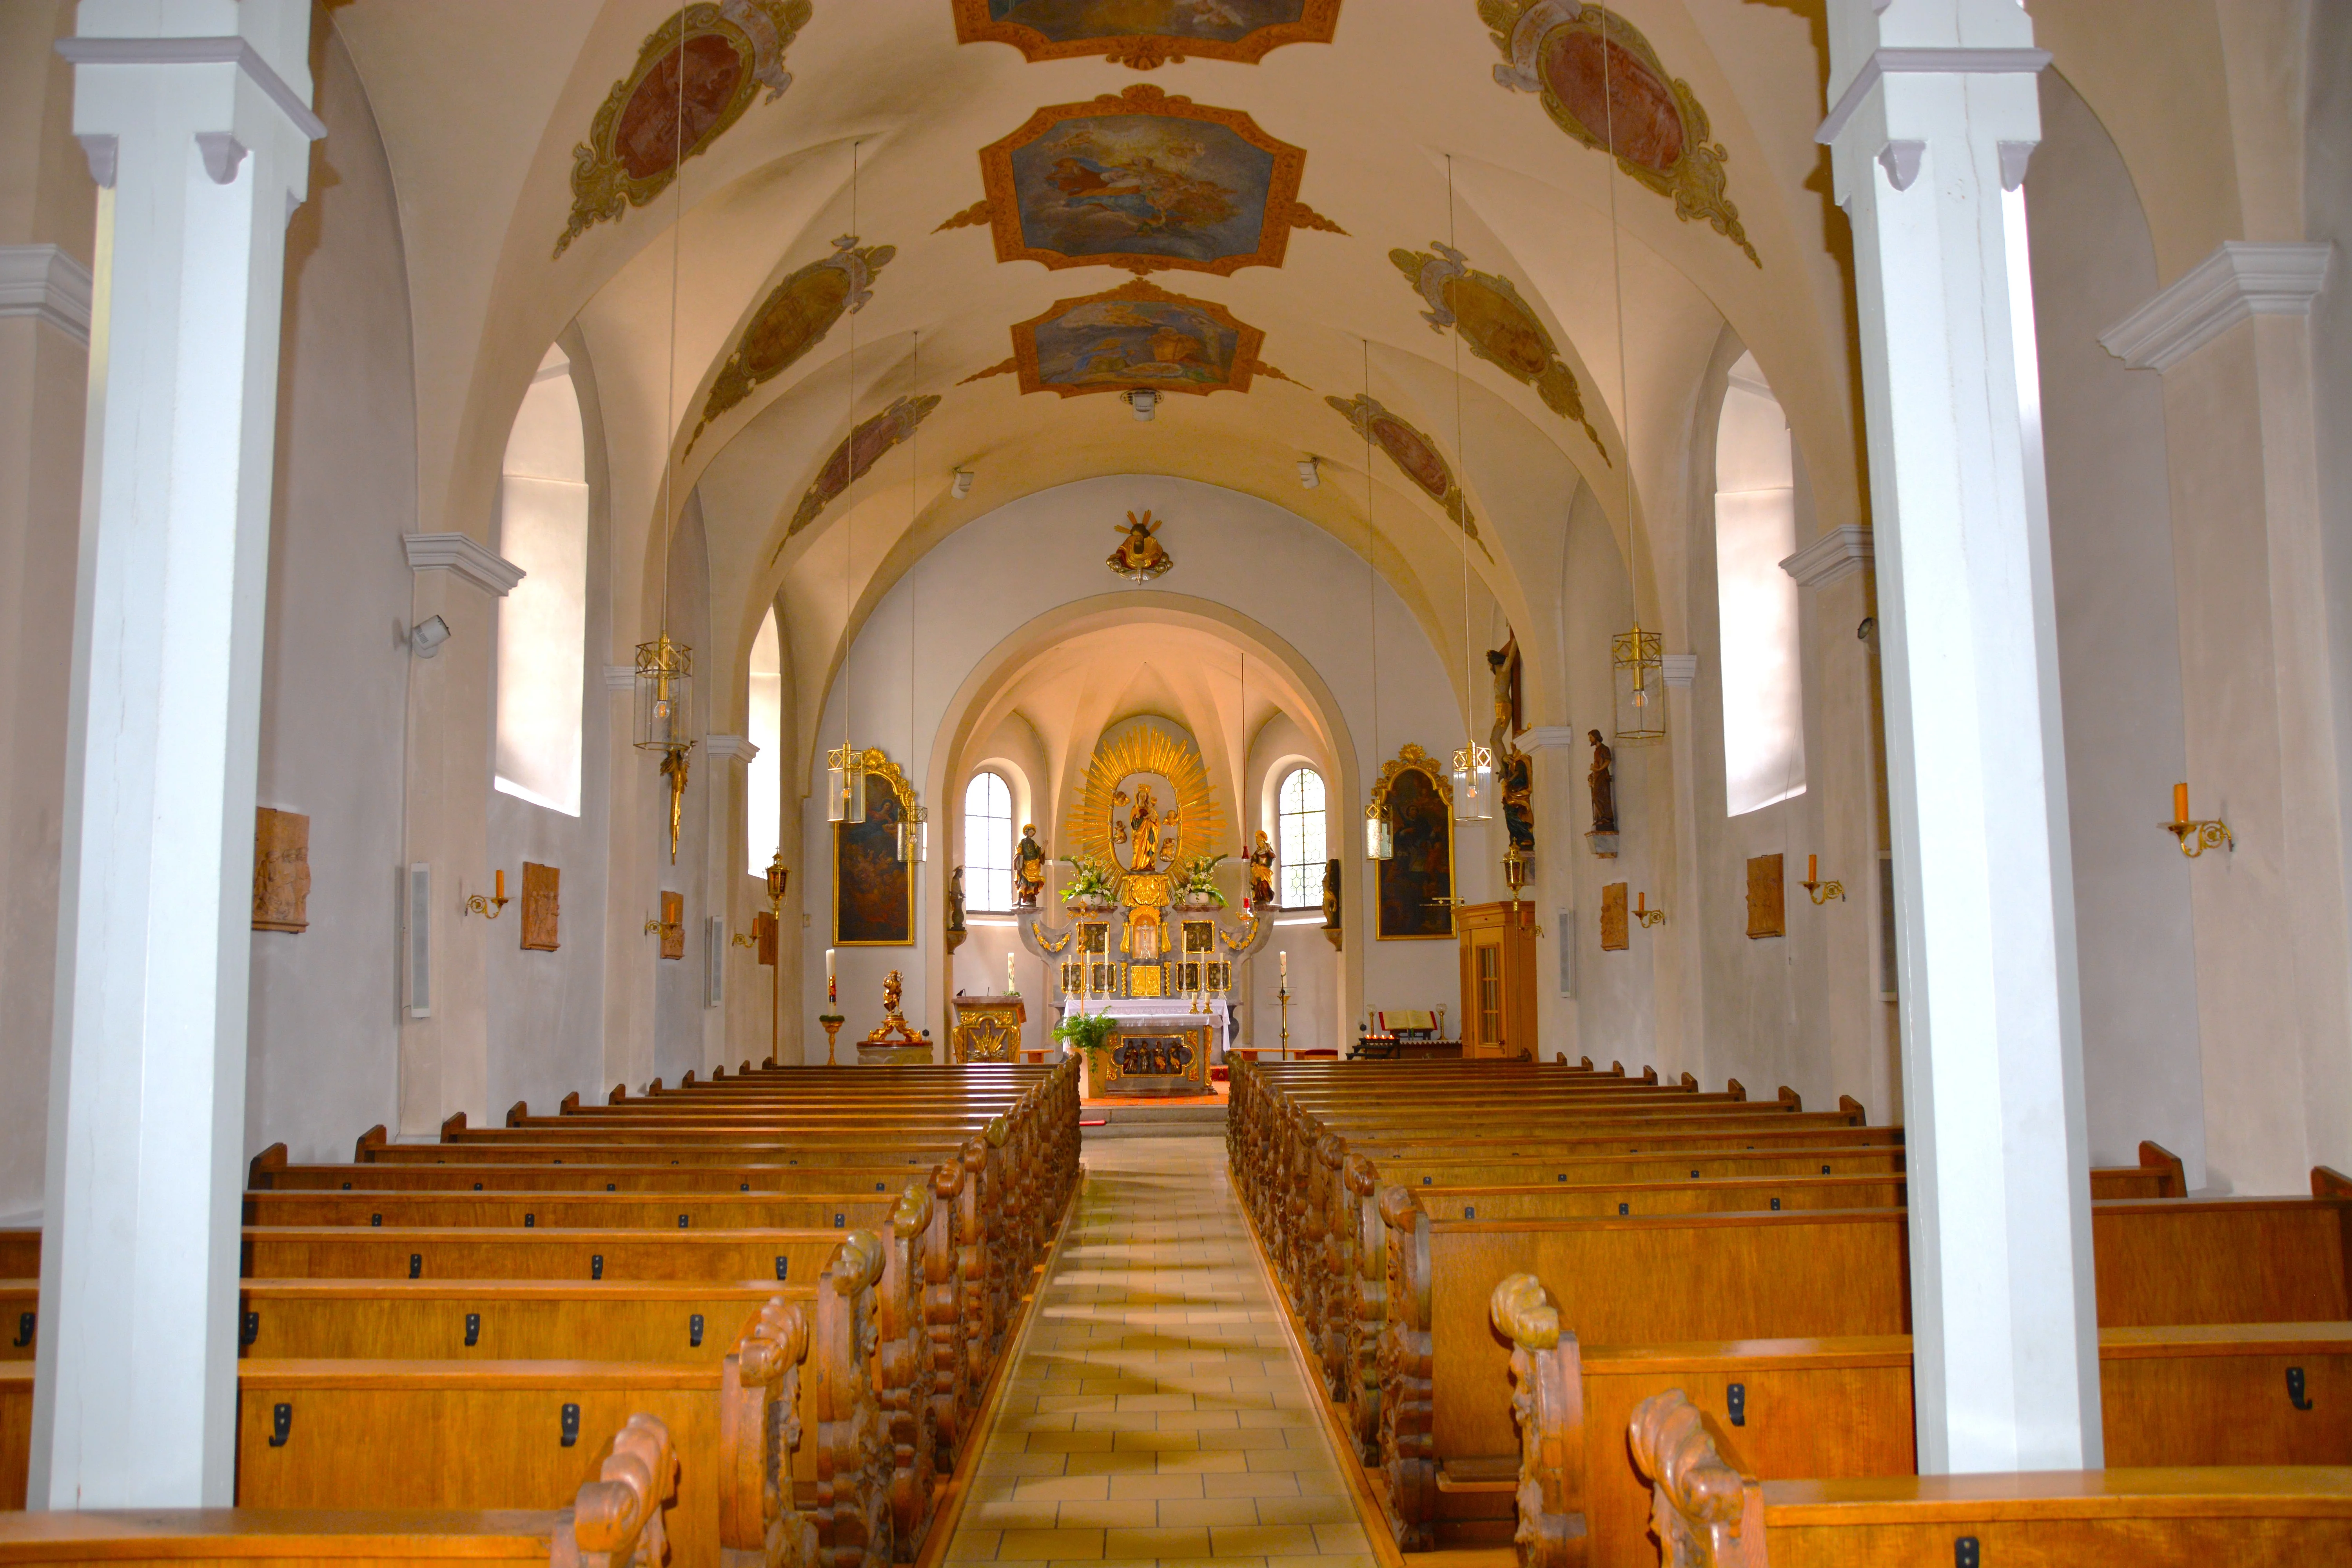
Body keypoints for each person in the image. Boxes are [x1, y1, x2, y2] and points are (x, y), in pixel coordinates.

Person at [1013, 824, 1047, 907]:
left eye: (1033, 833)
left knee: (1032, 885)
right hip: (1026, 866)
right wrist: (1018, 854)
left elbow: (1039, 852)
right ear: (1027, 832)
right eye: (1031, 832)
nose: (1032, 834)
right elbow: (1019, 851)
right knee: (1023, 884)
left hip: (1035, 866)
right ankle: (1019, 901)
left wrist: (1045, 847)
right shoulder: (1023, 842)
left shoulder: (1033, 843)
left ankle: (1030, 900)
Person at [1247, 829, 1277, 907]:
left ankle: (1267, 896)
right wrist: (1253, 863)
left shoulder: (1268, 850)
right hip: (1258, 870)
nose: (1259, 844)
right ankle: (1258, 897)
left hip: (1266, 870)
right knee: (1258, 884)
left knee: (1265, 883)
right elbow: (1254, 859)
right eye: (1258, 843)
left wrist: (1268, 850)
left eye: (1260, 842)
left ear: (1263, 841)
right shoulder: (1258, 852)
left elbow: (1273, 857)